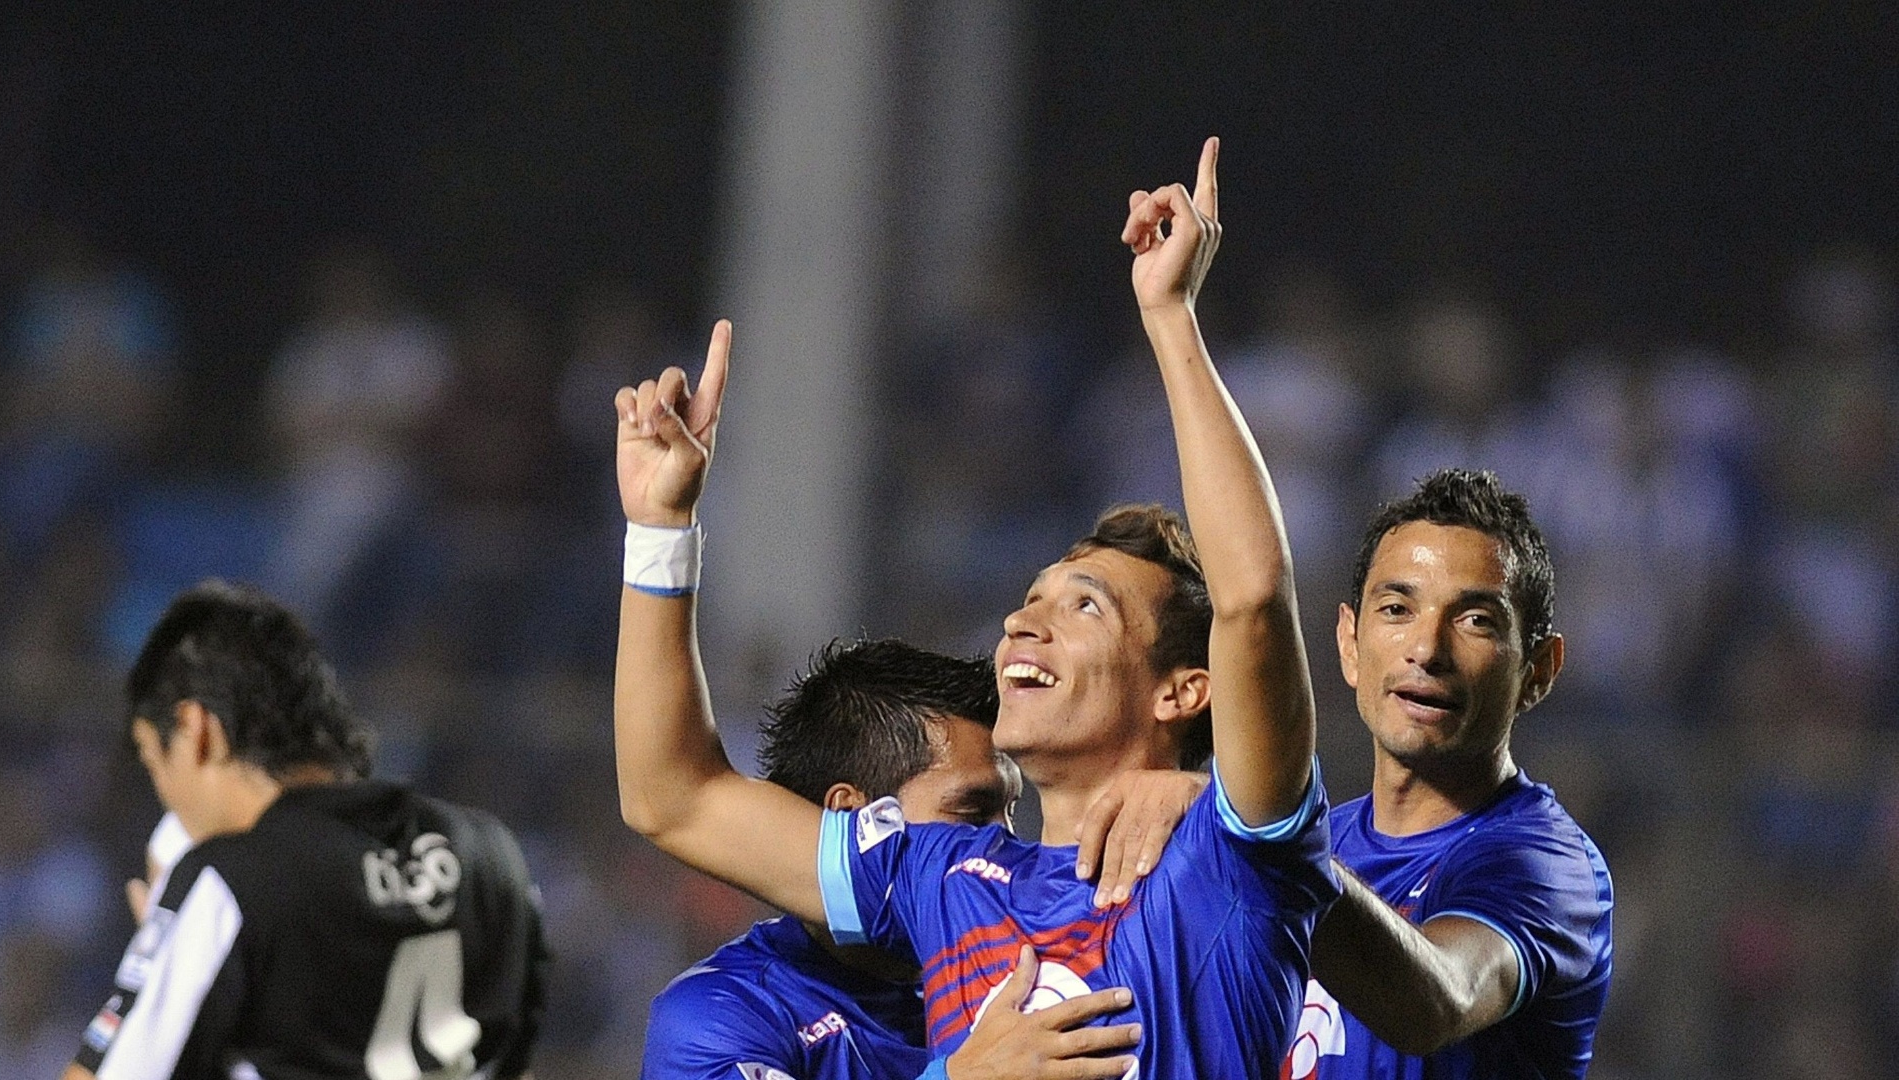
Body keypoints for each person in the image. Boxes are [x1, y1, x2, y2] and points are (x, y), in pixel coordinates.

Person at [612, 137, 1337, 1077]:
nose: (1022, 623)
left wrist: (1170, 319)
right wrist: (662, 528)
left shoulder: (1235, 854)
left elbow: (1253, 599)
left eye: (1085, 607)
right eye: (1030, 600)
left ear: (1183, 690)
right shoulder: (941, 877)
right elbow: (675, 797)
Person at [66, 581, 547, 1080]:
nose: (167, 799)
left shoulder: (229, 882)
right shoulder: (492, 855)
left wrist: (163, 952)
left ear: (197, 730)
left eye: (152, 760)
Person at [646, 638, 1187, 1080]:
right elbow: (671, 797)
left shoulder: (1025, 949)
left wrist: (1197, 796)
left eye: (1008, 812)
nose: (1000, 845)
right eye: (972, 814)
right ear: (853, 818)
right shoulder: (723, 1013)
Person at [1281, 470, 1614, 1079]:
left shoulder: (1545, 866)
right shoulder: (1319, 845)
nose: (1427, 649)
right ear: (1349, 644)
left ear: (1539, 670)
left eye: (1476, 620)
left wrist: (1258, 838)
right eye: (1397, 609)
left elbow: (1435, 1003)